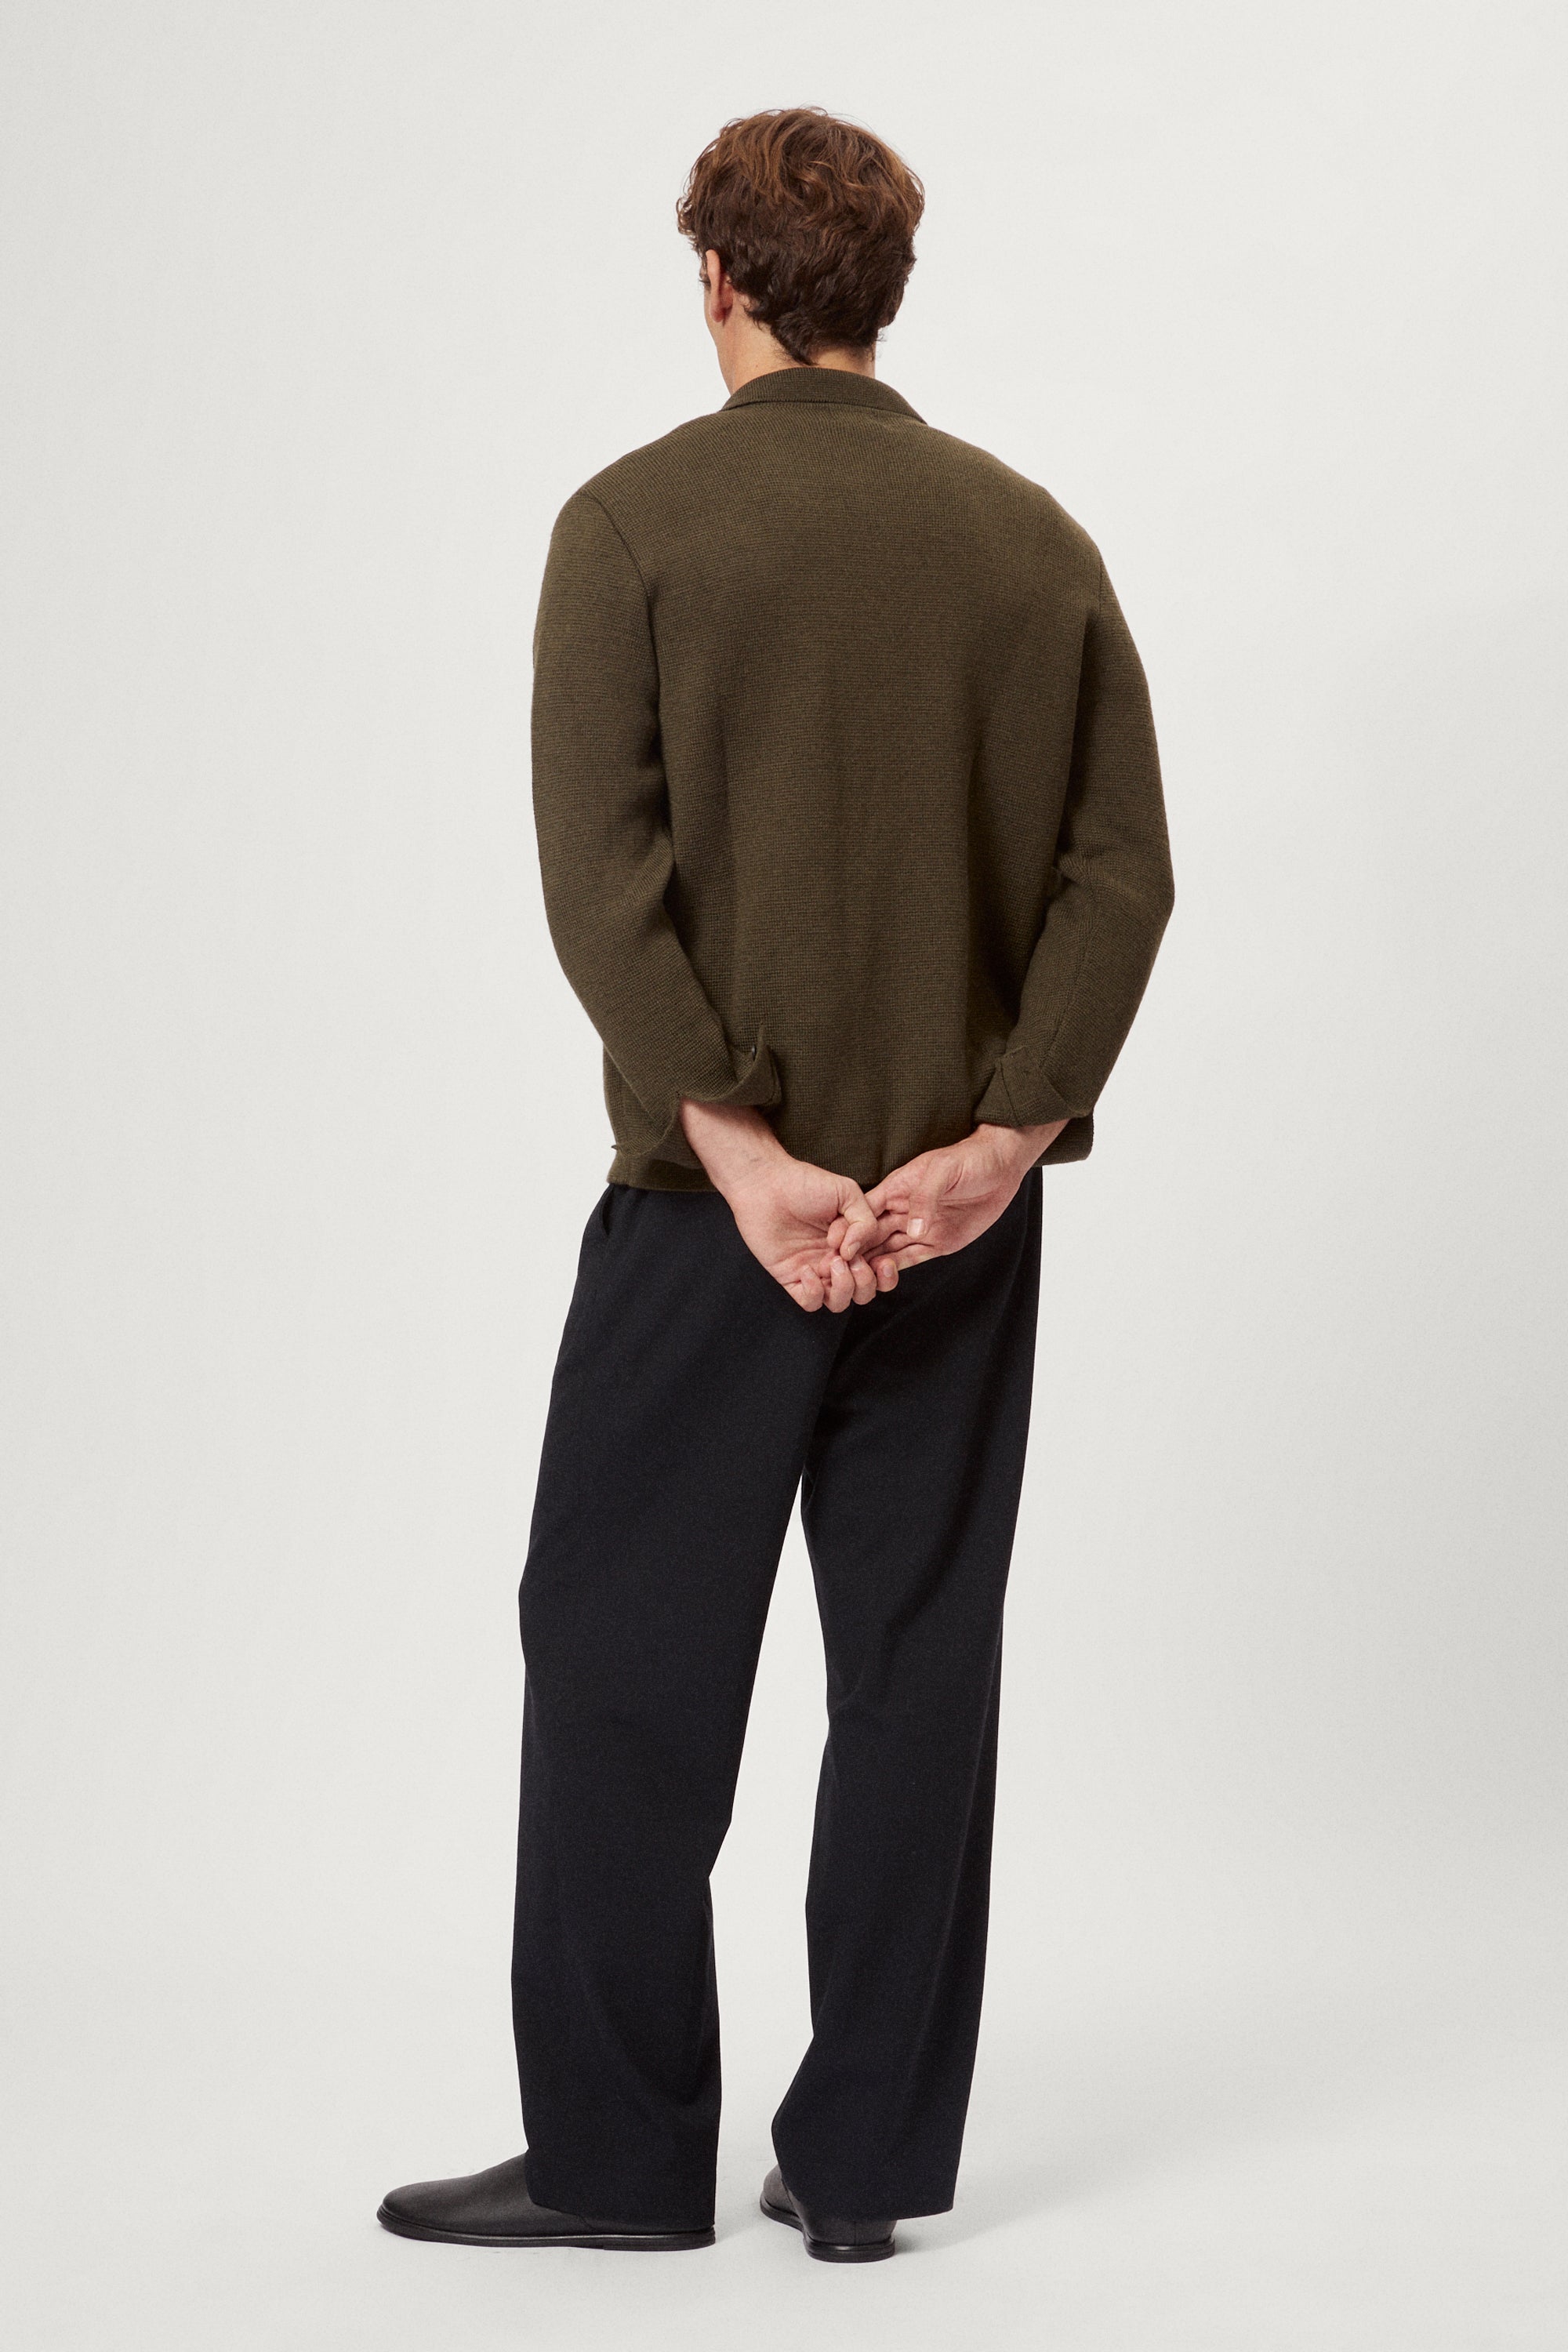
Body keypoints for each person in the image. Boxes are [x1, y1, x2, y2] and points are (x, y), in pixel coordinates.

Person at [377, 103, 1173, 2264]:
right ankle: (865, 2166)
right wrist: (1005, 1139)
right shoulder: (1035, 545)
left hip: (703, 1222)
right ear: (883, 292)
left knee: (622, 1659)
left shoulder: (630, 529)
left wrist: (736, 1150)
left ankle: (624, 2162)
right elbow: (1120, 878)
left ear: (712, 279)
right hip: (953, 1226)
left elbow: (602, 891)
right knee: (917, 1668)